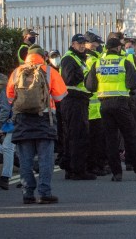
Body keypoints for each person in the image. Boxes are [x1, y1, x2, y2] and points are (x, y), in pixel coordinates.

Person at [84, 37, 136, 182]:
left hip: (104, 105)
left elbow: (90, 86)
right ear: (118, 48)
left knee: (111, 140)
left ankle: (116, 173)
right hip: (122, 104)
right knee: (130, 138)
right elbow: (134, 83)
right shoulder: (124, 62)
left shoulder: (98, 63)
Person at [7, 46, 68, 204]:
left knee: (25, 159)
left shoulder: (16, 72)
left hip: (22, 120)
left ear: (28, 56)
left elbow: (9, 97)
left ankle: (27, 193)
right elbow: (60, 96)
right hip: (44, 119)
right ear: (43, 57)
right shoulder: (49, 71)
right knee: (45, 159)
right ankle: (45, 193)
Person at [59, 33, 94, 181]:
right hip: (73, 100)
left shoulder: (79, 58)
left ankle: (72, 168)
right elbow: (70, 79)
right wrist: (83, 75)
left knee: (75, 136)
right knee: (77, 136)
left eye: (83, 43)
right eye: (79, 43)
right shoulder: (69, 58)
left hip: (79, 100)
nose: (82, 45)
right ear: (73, 44)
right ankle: (77, 170)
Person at [82, 32, 109, 176]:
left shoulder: (95, 58)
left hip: (96, 106)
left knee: (98, 139)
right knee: (94, 140)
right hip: (92, 107)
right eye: (94, 45)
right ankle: (94, 166)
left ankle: (99, 164)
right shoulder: (90, 60)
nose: (97, 47)